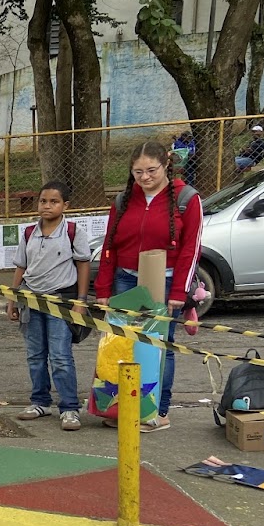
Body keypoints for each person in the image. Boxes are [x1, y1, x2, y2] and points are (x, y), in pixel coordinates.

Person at [94, 141, 203, 432]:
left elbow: (191, 248)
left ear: (166, 164)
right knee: (122, 342)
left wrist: (179, 292)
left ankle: (156, 411)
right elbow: (109, 247)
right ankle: (121, 406)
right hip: (125, 278)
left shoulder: (187, 198)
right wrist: (103, 288)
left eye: (151, 170)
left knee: (157, 347)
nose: (144, 177)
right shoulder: (123, 201)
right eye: (138, 172)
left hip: (164, 281)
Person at [6, 181, 91, 431]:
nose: (47, 206)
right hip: (31, 302)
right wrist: (12, 299)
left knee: (61, 357)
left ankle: (69, 408)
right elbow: (21, 267)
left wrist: (80, 303)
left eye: (54, 201)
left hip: (60, 303)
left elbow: (83, 265)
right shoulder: (29, 233)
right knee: (35, 356)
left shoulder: (73, 232)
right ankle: (40, 402)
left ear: (65, 206)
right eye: (43, 201)